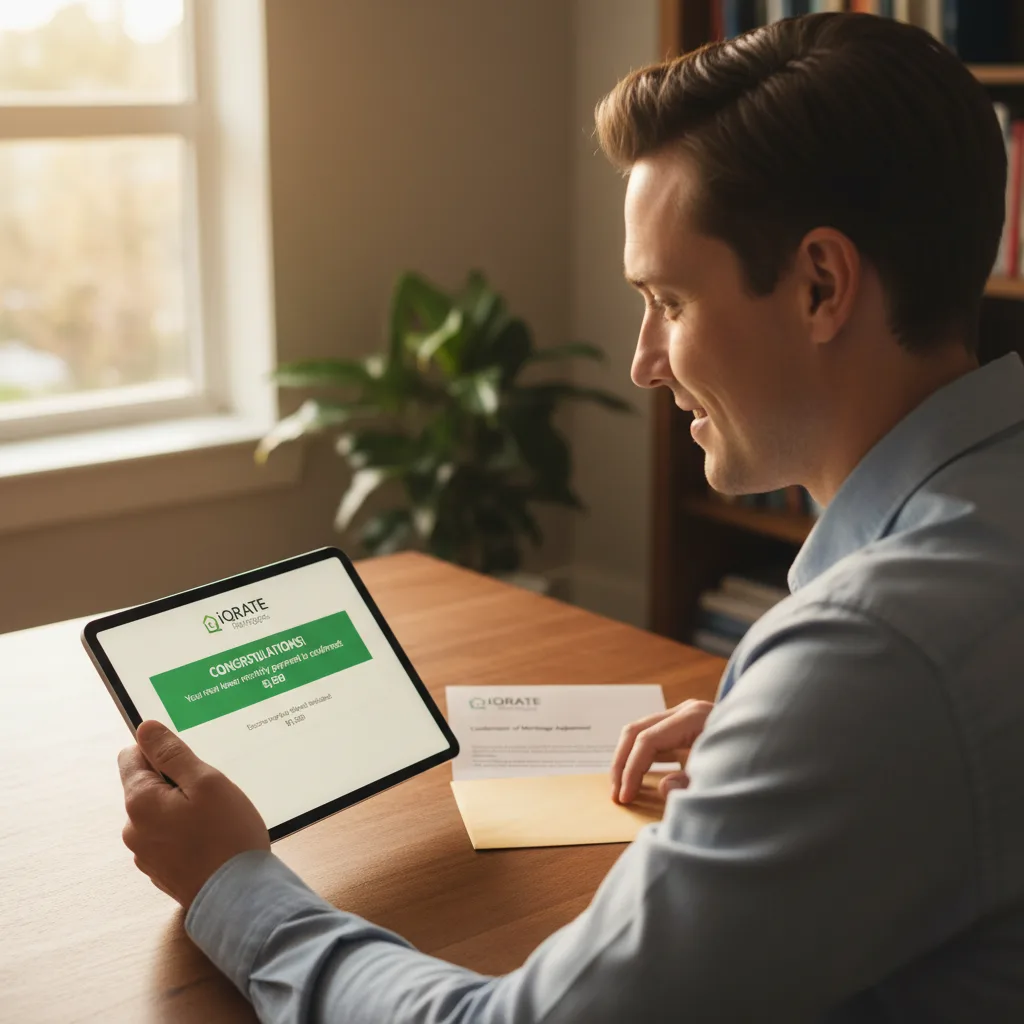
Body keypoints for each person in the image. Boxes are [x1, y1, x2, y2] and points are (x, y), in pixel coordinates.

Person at [117, 11, 1024, 1022]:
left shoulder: (876, 656)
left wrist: (231, 881)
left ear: (820, 283)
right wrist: (796, 748)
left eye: (667, 301)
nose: (643, 360)